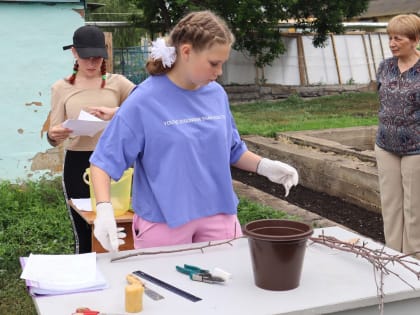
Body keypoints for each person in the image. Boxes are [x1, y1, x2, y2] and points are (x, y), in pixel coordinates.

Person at [89, 10, 299, 252]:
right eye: (214, 63)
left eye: (222, 63)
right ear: (186, 51)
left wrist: (265, 166)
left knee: (224, 288)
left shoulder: (216, 94)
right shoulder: (144, 101)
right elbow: (103, 162)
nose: (219, 72)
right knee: (168, 289)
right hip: (164, 224)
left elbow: (232, 149)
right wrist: (104, 209)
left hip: (219, 218)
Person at [47, 25, 135, 253]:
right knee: (85, 229)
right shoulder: (61, 87)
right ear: (74, 53)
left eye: (97, 57)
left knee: (121, 224)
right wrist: (53, 135)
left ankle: (119, 277)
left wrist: (116, 111)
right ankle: (86, 279)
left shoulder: (119, 83)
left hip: (116, 162)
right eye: (86, 57)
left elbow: (146, 106)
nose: (92, 63)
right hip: (78, 164)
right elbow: (54, 134)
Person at [375, 14, 420, 257]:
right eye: (390, 37)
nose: (392, 43)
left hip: (416, 149)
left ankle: (414, 263)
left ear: (415, 40)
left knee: (414, 209)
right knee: (391, 206)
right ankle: (393, 258)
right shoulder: (385, 66)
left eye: (398, 38)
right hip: (385, 145)